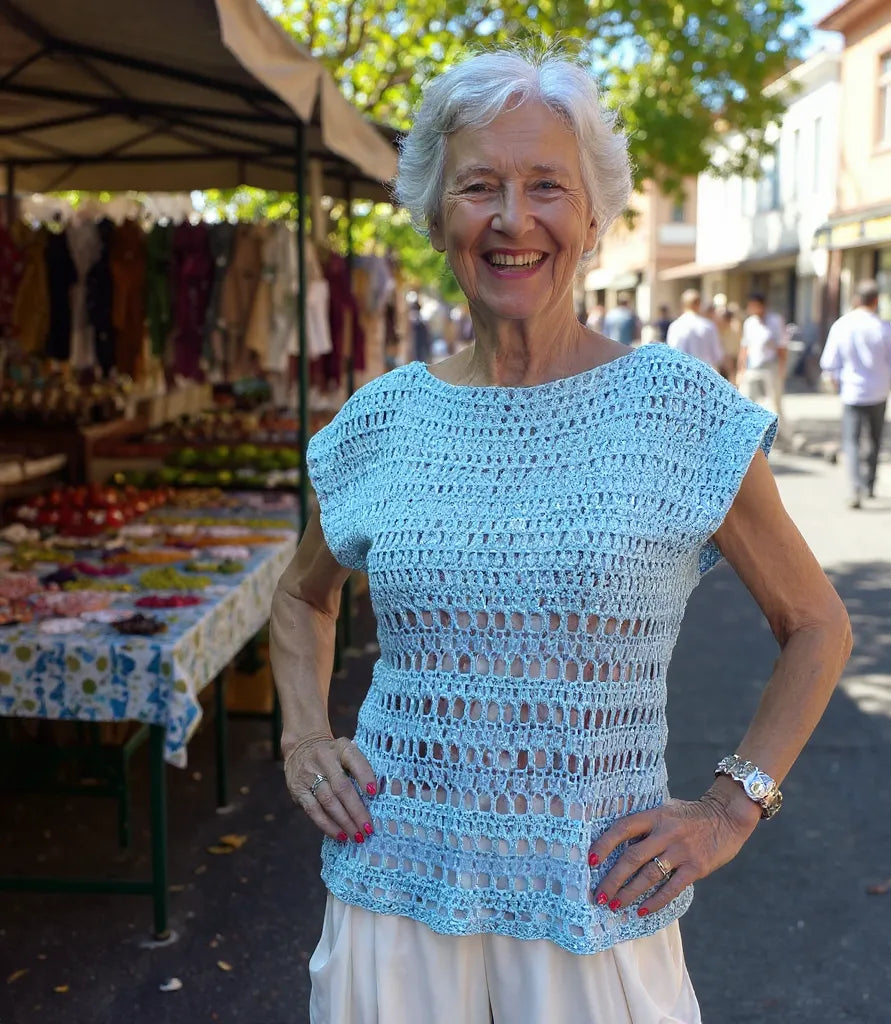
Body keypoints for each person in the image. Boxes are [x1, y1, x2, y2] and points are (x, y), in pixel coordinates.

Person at [271, 48, 852, 1024]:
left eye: (547, 185)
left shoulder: (676, 410)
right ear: (434, 215)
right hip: (393, 892)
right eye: (479, 186)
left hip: (594, 897)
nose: (512, 218)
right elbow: (300, 592)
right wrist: (300, 736)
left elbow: (815, 624)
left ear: (592, 219)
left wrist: (729, 806)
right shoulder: (380, 421)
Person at [819, 279, 891, 508]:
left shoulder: (842, 325)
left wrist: (835, 382)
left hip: (852, 392)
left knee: (851, 441)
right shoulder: (884, 328)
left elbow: (829, 363)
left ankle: (856, 487)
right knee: (875, 440)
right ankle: (869, 484)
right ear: (877, 300)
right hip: (879, 392)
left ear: (856, 299)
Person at [738, 292, 787, 440]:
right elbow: (745, 347)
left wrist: (782, 368)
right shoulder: (750, 323)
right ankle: (748, 432)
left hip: (770, 365)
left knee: (774, 401)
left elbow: (781, 346)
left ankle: (779, 433)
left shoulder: (775, 321)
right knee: (747, 398)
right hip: (753, 366)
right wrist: (741, 369)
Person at [665, 289, 724, 370]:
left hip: (684, 374)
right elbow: (717, 355)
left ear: (683, 305)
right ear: (699, 304)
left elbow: (672, 354)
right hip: (706, 375)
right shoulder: (708, 326)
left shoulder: (676, 326)